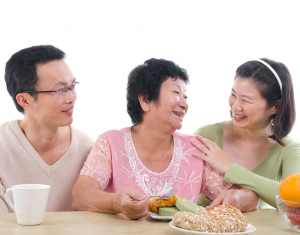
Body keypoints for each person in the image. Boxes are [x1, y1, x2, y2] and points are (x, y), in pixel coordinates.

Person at [72, 58, 259, 219]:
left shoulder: (194, 149)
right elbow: (81, 196)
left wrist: (237, 198)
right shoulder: (111, 143)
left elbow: (250, 197)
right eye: (176, 93)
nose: (185, 104)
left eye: (185, 96)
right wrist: (116, 202)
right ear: (145, 100)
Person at [192, 58, 300, 209]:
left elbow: (294, 200)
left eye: (245, 100)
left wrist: (231, 169)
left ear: (276, 106)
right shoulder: (206, 135)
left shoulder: (289, 149)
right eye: (233, 95)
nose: (235, 106)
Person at [0, 45, 94, 212]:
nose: (71, 98)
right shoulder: (3, 146)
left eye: (72, 86)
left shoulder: (87, 149)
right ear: (25, 100)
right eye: (60, 90)